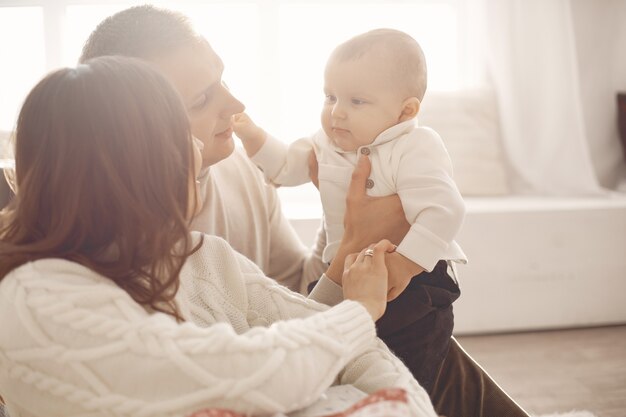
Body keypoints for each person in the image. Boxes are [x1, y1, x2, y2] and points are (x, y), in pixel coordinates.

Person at [78, 6, 530, 417]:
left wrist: (341, 213)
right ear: (135, 126)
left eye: (224, 81)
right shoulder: (127, 237)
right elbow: (258, 363)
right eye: (202, 100)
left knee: (426, 339)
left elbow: (297, 286)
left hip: (329, 324)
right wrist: (355, 244)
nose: (235, 107)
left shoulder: (242, 167)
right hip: (284, 373)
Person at [0, 56, 437, 417]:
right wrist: (359, 309)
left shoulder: (203, 254)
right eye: (188, 113)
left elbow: (325, 327)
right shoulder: (38, 297)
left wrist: (341, 222)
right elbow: (245, 372)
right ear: (133, 161)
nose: (234, 105)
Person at [233, 29, 466, 391]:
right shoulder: (326, 143)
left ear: (405, 111)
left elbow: (444, 210)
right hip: (342, 274)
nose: (337, 112)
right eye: (330, 97)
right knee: (348, 369)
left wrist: (404, 264)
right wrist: (253, 135)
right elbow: (285, 167)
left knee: (404, 375)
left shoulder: (416, 146)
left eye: (357, 101)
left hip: (413, 283)